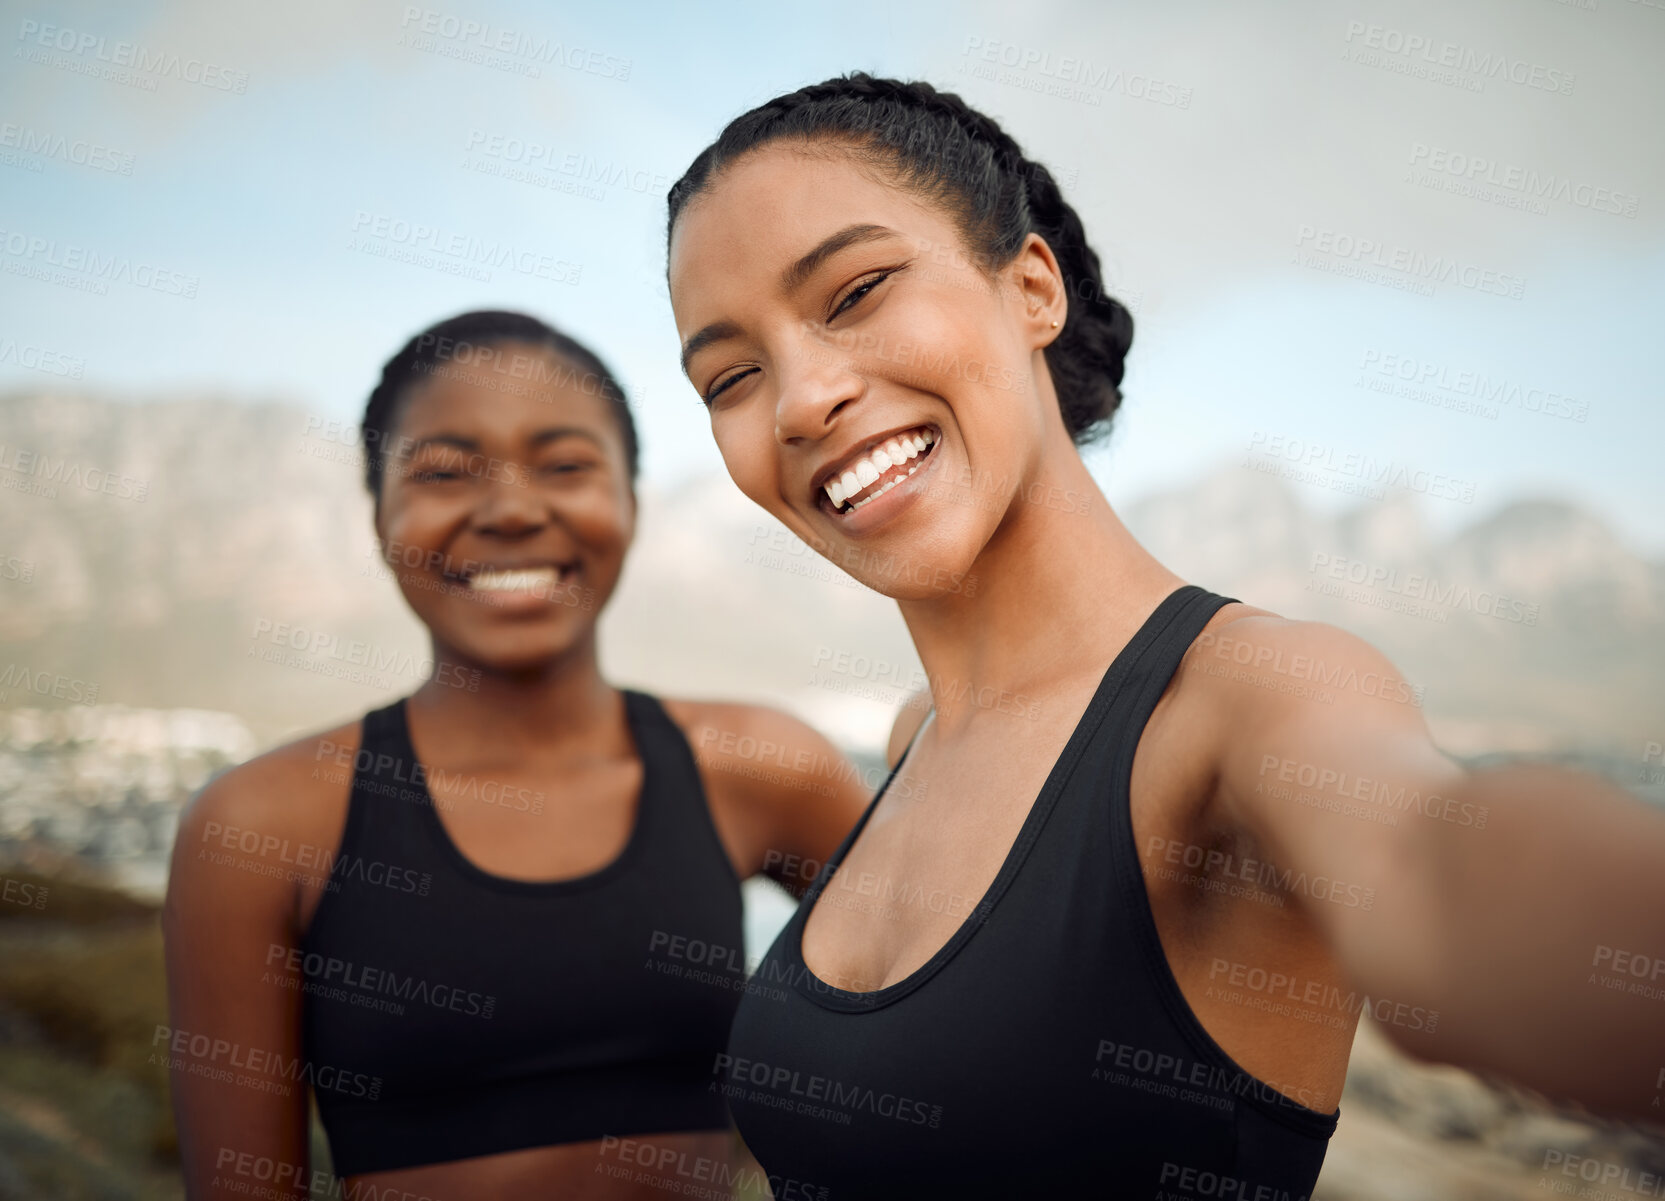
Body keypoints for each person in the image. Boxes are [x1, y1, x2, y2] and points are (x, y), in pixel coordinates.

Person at [663, 73, 1665, 1198]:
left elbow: (1440, 866)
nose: (798, 400)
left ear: (1031, 287)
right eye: (731, 375)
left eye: (856, 291)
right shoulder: (910, 744)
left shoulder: (1248, 698)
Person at [162, 310, 872, 1200]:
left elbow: (957, 1023)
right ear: (377, 510)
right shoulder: (258, 825)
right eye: (444, 472)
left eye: (566, 465)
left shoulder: (762, 766)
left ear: (630, 501)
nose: (509, 509)